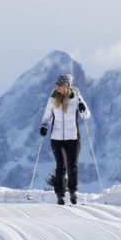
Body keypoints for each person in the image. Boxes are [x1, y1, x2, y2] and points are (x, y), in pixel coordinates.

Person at [40, 74, 91, 205]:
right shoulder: (53, 99)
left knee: (72, 166)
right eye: (57, 85)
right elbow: (47, 117)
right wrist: (44, 126)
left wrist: (83, 109)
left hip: (73, 138)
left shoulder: (77, 98)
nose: (58, 87)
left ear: (67, 86)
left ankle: (73, 192)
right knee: (60, 166)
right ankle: (60, 195)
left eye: (61, 85)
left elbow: (86, 116)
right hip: (56, 138)